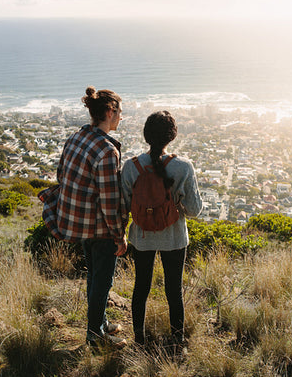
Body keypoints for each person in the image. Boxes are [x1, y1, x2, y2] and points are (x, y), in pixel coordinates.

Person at [40, 87, 128, 348]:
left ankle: (99, 323)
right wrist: (119, 235)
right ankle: (95, 336)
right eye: (120, 112)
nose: (121, 117)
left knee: (94, 276)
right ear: (110, 112)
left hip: (74, 221)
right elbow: (109, 201)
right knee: (102, 280)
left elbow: (60, 175)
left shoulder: (77, 136)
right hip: (98, 226)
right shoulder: (106, 151)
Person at [121, 110, 202, 346]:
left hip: (142, 236)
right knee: (173, 290)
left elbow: (124, 206)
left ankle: (139, 338)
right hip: (174, 238)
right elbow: (194, 210)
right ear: (172, 136)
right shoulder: (183, 167)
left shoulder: (131, 166)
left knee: (141, 287)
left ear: (147, 135)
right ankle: (177, 339)